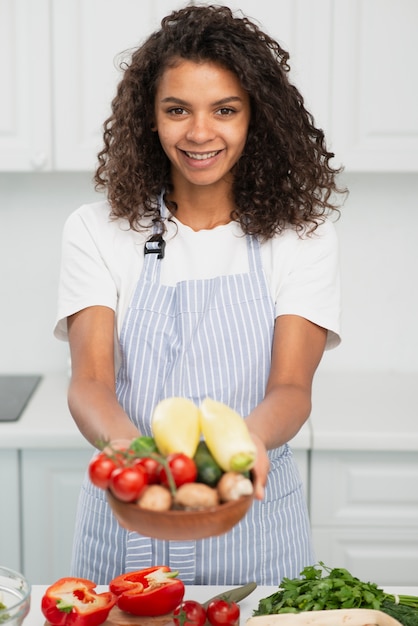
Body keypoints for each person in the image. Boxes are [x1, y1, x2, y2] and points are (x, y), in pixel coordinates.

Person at [54, 3, 346, 586]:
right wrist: (137, 459)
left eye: (225, 110)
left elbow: (291, 387)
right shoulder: (96, 230)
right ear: (151, 119)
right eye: (177, 109)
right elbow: (90, 380)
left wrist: (250, 442)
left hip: (254, 519)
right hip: (130, 519)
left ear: (255, 118)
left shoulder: (303, 238)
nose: (200, 132)